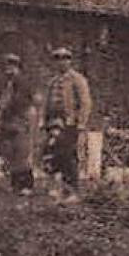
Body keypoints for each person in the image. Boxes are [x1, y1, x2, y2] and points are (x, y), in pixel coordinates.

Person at [43, 46, 93, 197]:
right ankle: (59, 187)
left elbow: (85, 102)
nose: (61, 63)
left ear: (70, 61)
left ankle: (72, 190)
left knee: (67, 155)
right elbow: (47, 103)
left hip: (69, 124)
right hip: (53, 124)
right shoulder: (53, 81)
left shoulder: (77, 79)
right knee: (53, 154)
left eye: (65, 59)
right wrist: (43, 121)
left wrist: (81, 123)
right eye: (57, 59)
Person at [0, 53, 36, 194]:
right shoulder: (10, 83)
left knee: (22, 151)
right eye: (7, 66)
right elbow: (4, 100)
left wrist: (3, 112)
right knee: (11, 152)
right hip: (11, 120)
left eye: (11, 66)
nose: (8, 69)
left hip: (20, 119)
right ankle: (15, 184)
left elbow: (19, 102)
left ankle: (26, 185)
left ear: (17, 67)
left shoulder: (22, 82)